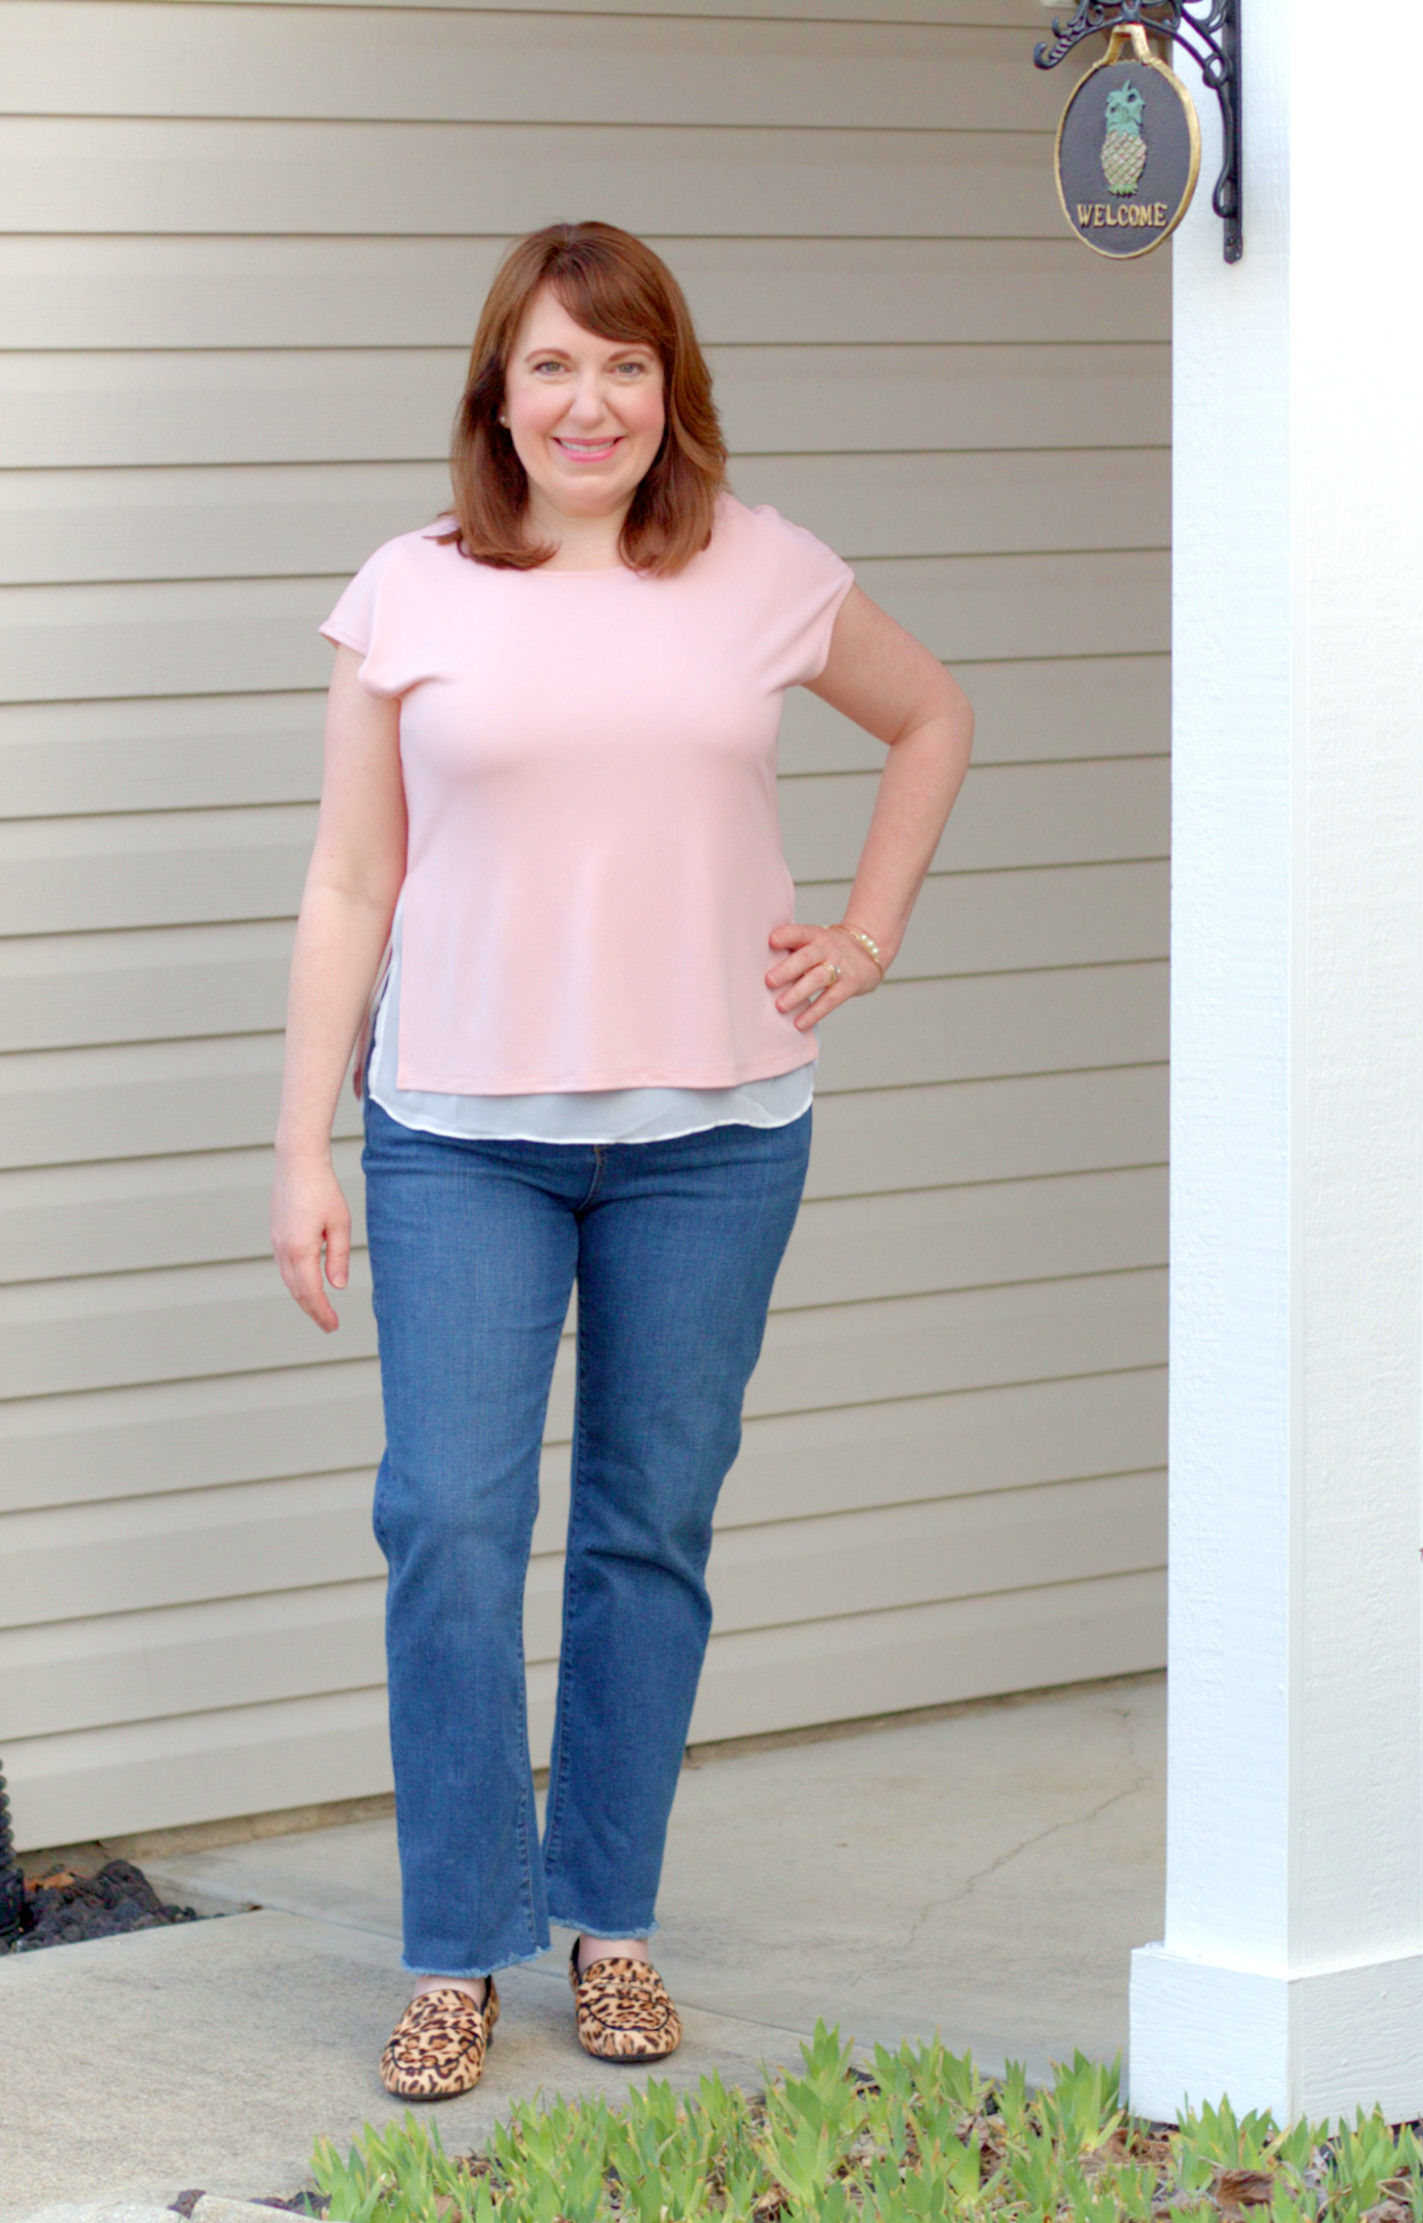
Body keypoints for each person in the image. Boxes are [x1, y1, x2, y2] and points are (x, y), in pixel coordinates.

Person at [271, 219, 972, 2100]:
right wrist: (301, 1146)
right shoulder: (409, 592)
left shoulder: (764, 570)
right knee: (446, 1526)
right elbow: (354, 881)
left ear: (673, 391)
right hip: (457, 1141)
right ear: (497, 395)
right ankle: (456, 1947)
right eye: (554, 368)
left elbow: (932, 717)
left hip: (714, 1140)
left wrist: (867, 934)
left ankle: (612, 1928)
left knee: (648, 1536)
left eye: (626, 367)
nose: (591, 404)